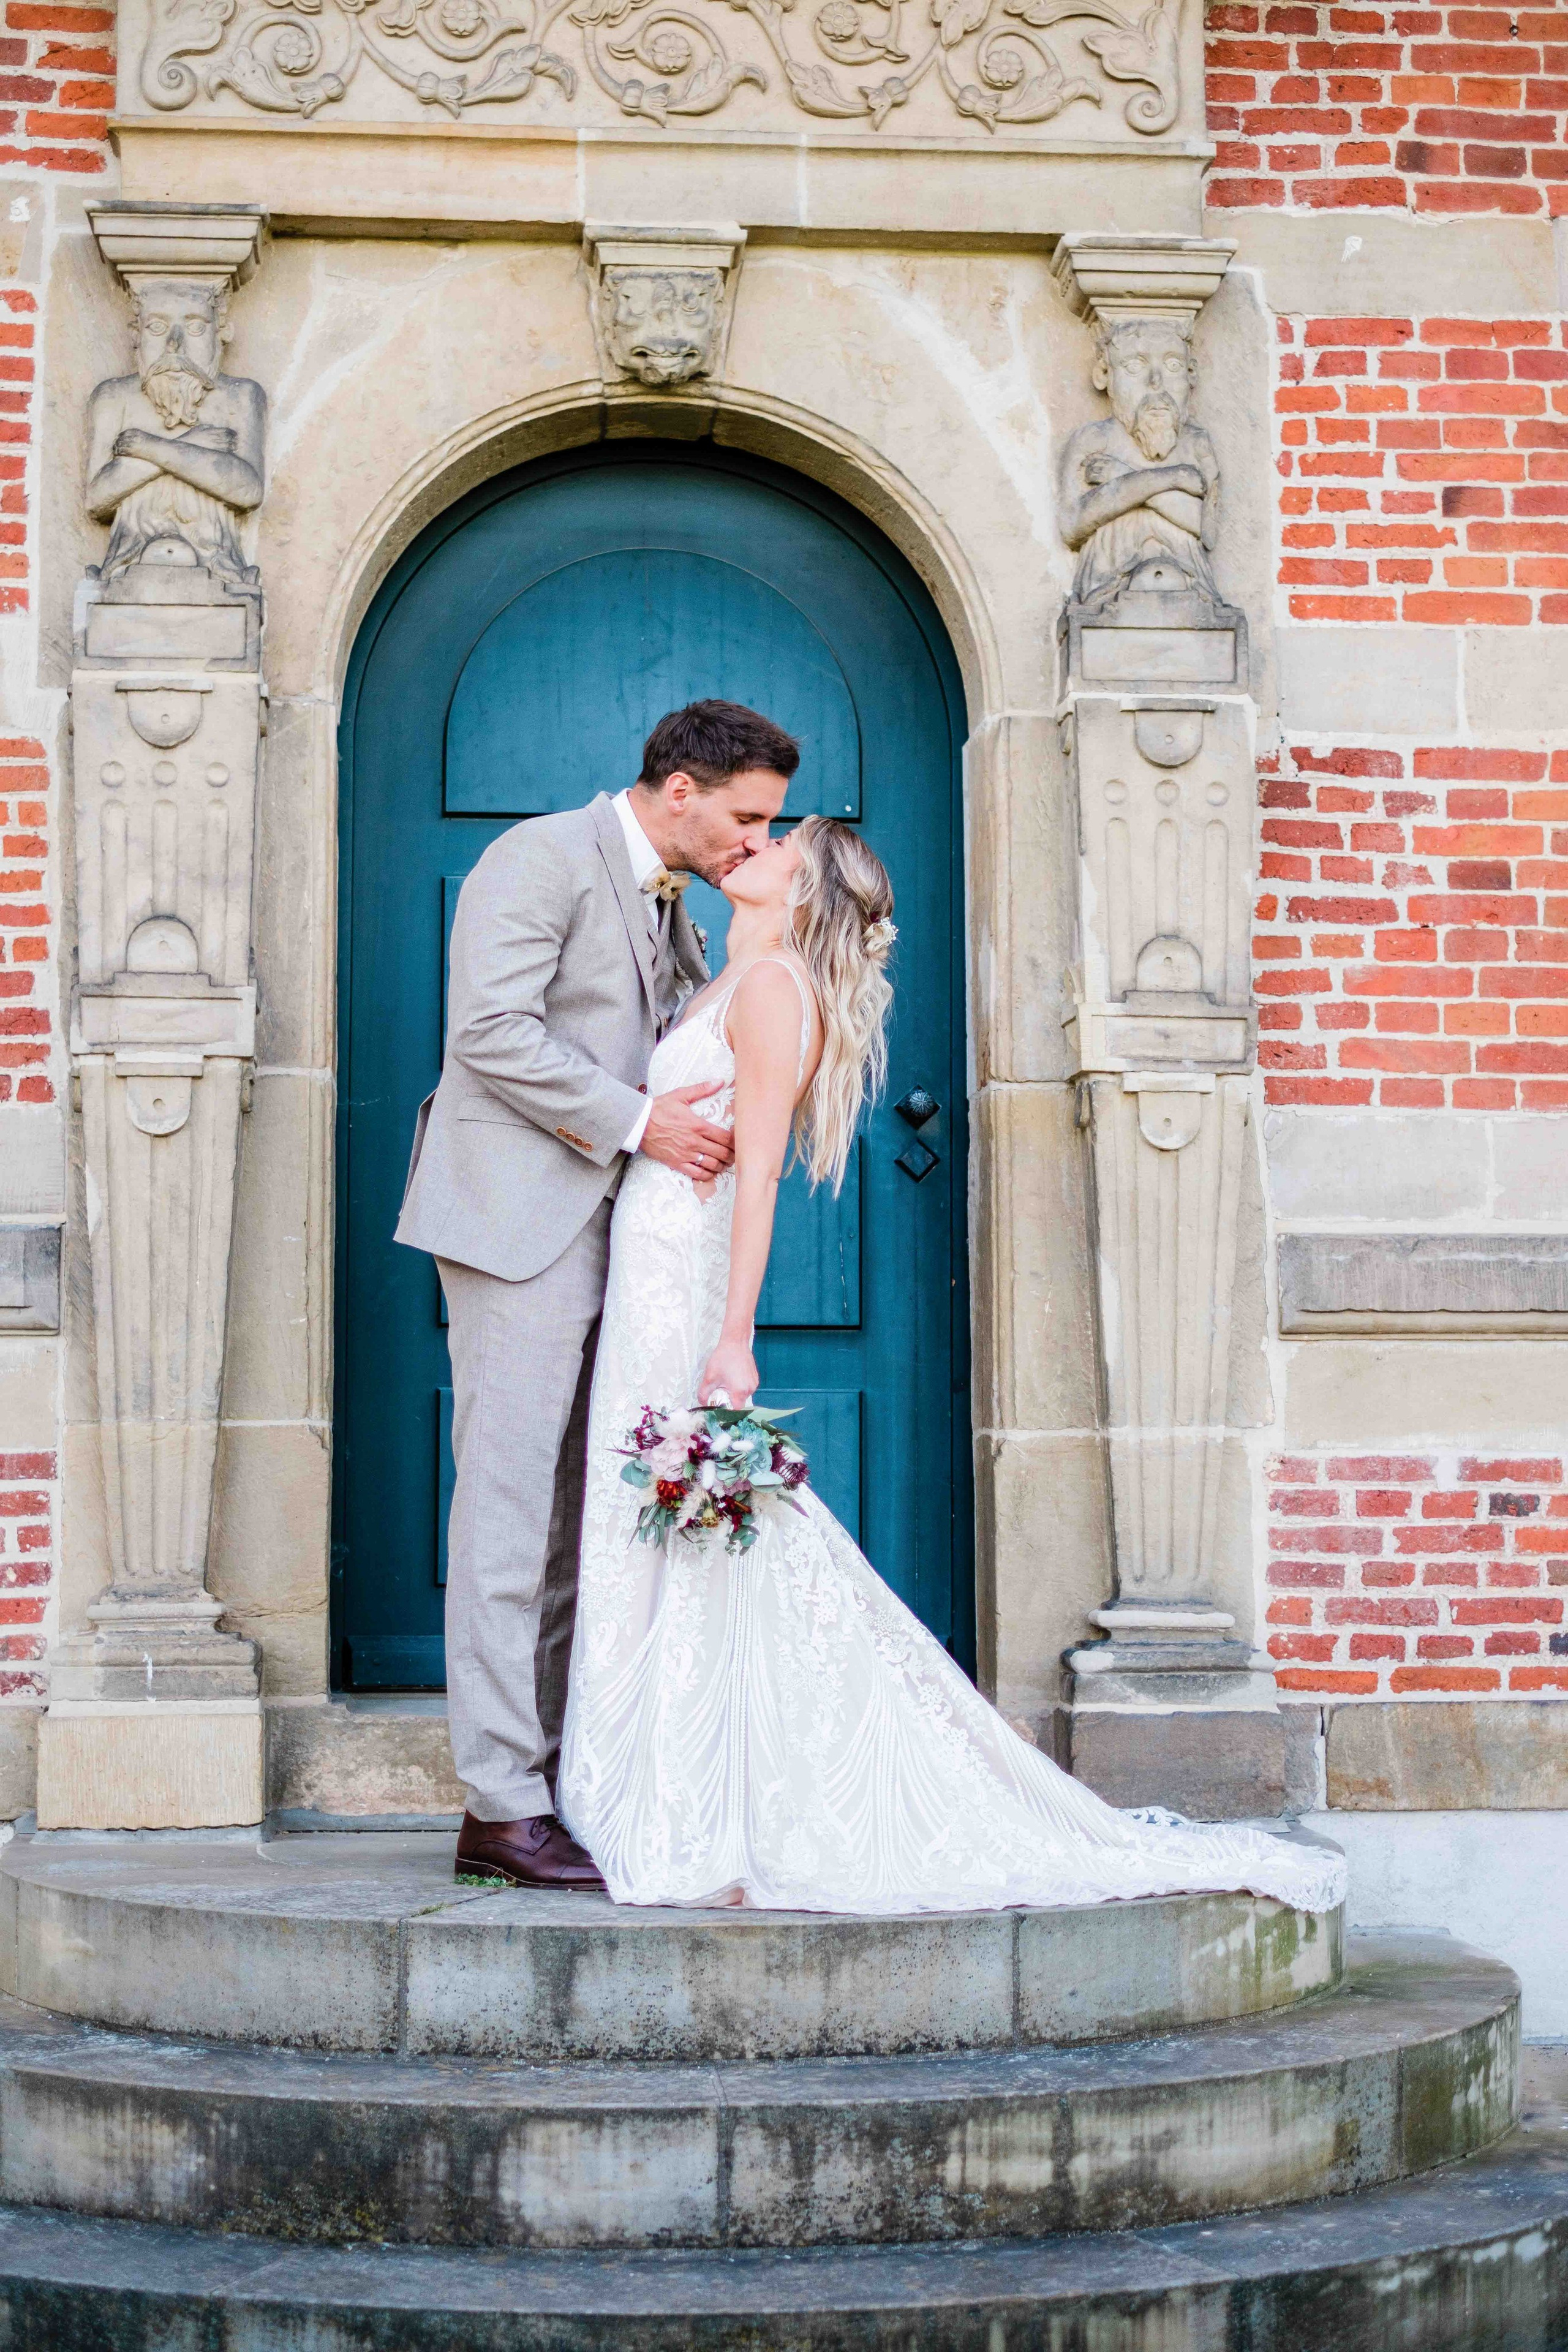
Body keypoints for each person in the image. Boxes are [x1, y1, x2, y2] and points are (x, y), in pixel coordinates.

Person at [559, 815, 1345, 1917]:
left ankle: (709, 1797)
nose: (759, 840)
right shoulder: (717, 977)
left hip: (682, 1278)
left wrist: (732, 1334)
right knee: (644, 1509)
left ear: (809, 883)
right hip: (641, 1264)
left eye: (785, 838)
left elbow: (761, 1179)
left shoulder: (777, 989)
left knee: (687, 1514)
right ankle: (647, 1772)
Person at [395, 699, 799, 1891]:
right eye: (744, 816)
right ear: (679, 789)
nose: (751, 839)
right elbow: (487, 1033)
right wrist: (640, 1123)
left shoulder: (674, 893)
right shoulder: (538, 858)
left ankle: (564, 1776)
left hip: (617, 1241)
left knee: (581, 1519)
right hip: (519, 1224)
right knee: (510, 1521)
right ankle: (499, 1807)